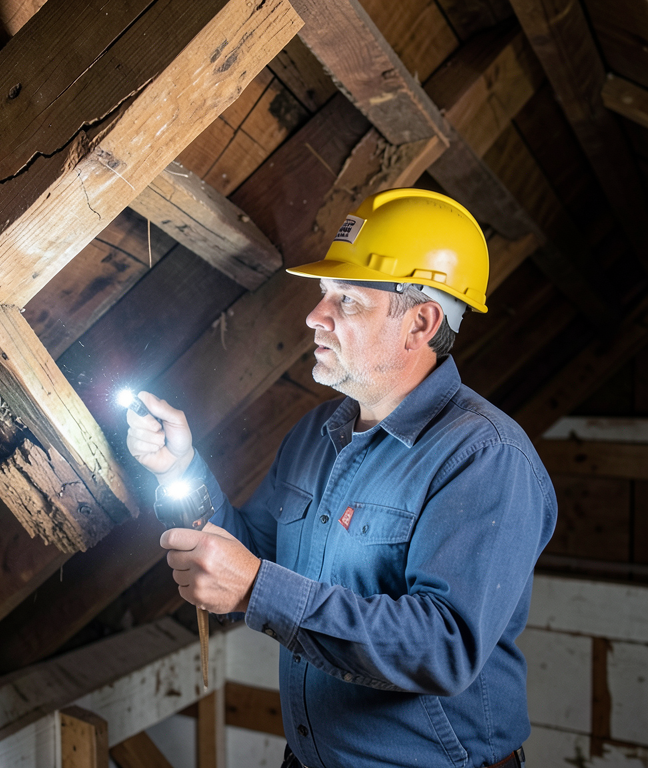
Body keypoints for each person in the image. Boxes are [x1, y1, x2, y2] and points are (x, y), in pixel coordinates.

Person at [125, 189, 557, 768]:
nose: (315, 316)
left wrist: (256, 588)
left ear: (421, 323)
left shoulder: (484, 457)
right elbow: (251, 556)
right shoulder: (315, 435)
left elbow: (443, 648)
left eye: (347, 300)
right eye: (324, 293)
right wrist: (180, 469)